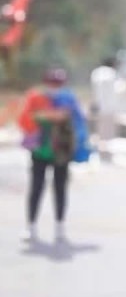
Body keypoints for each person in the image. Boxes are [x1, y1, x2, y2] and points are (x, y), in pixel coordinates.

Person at [18, 68, 90, 243]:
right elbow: (26, 118)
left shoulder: (69, 99)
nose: (54, 86)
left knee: (60, 188)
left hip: (61, 152)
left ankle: (60, 226)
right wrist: (46, 116)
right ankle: (31, 225)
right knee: (36, 187)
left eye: (58, 83)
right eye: (52, 82)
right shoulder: (36, 97)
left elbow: (78, 122)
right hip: (40, 150)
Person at [90, 56, 125, 157]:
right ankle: (105, 150)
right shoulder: (112, 73)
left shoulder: (96, 72)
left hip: (98, 106)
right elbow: (118, 89)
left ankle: (99, 149)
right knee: (108, 130)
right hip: (109, 107)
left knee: (99, 129)